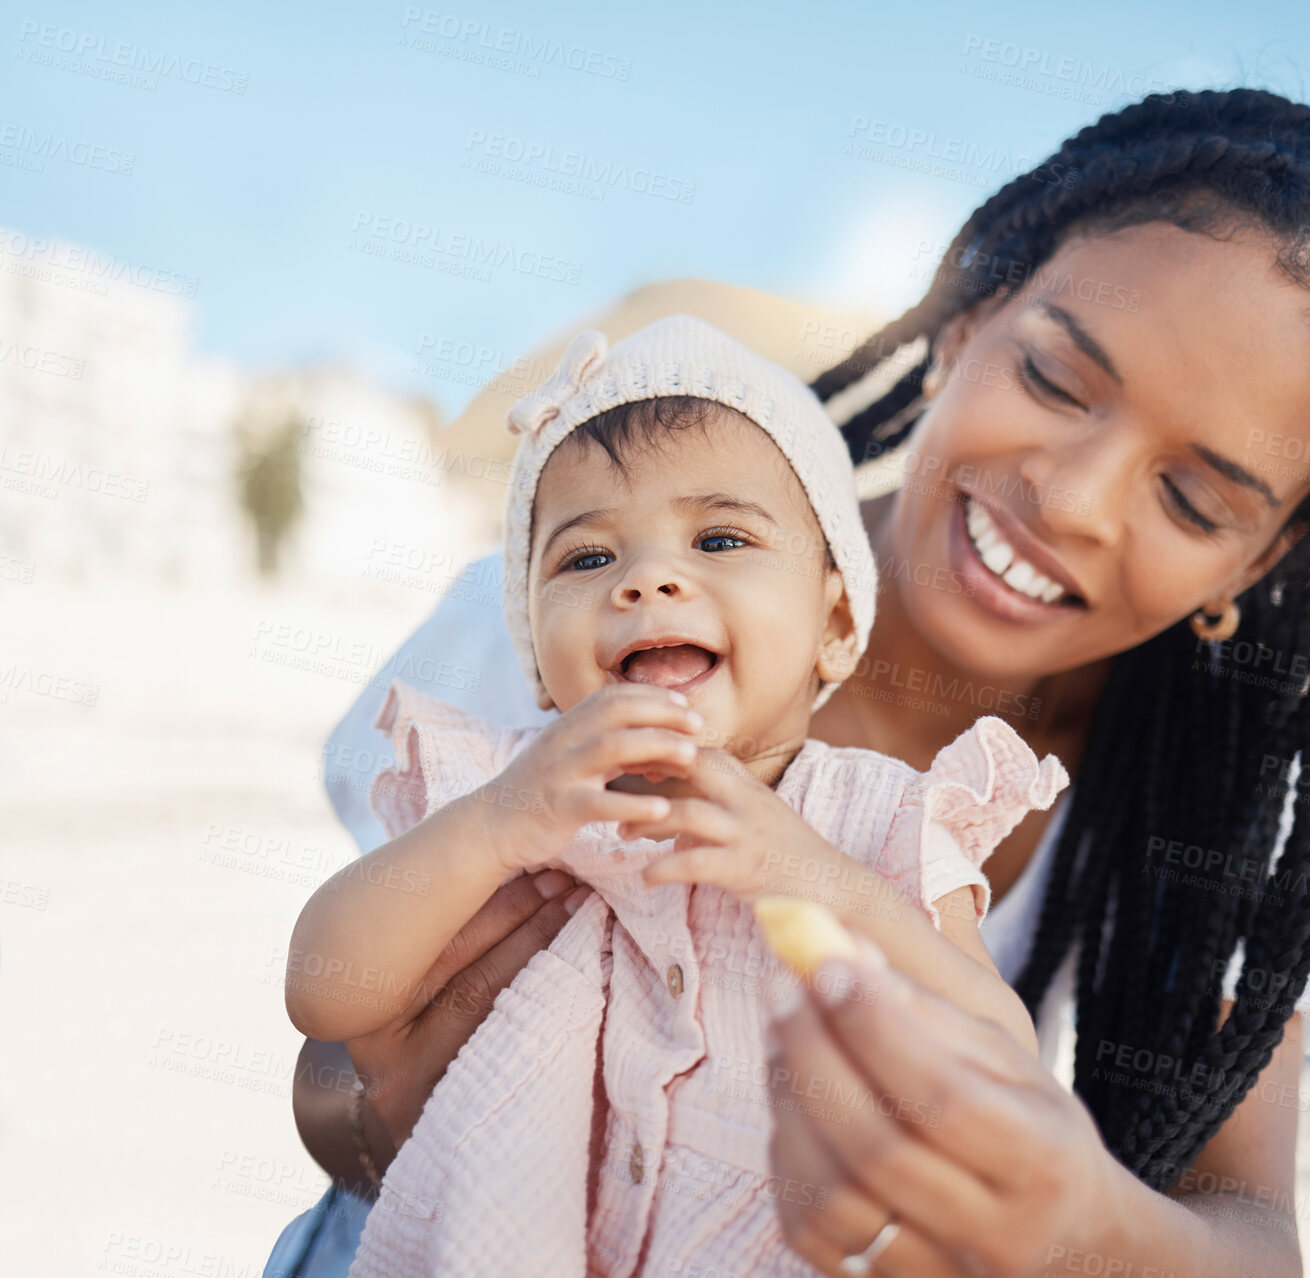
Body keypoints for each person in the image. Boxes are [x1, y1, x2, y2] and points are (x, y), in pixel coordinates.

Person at [268, 88, 1310, 1278]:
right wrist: (390, 1107)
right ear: (966, 319)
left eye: (1192, 498)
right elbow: (334, 1062)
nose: (1071, 499)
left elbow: (1244, 1228)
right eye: (1057, 381)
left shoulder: (1217, 811)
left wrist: (1072, 1230)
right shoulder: (575, 620)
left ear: (1258, 557)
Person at [286, 315, 1066, 1275]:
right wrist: (494, 826)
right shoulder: (502, 791)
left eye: (720, 538)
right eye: (586, 558)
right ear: (533, 651)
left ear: (834, 622)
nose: (649, 579)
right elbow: (324, 993)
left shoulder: (881, 822)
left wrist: (815, 877)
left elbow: (1001, 1056)